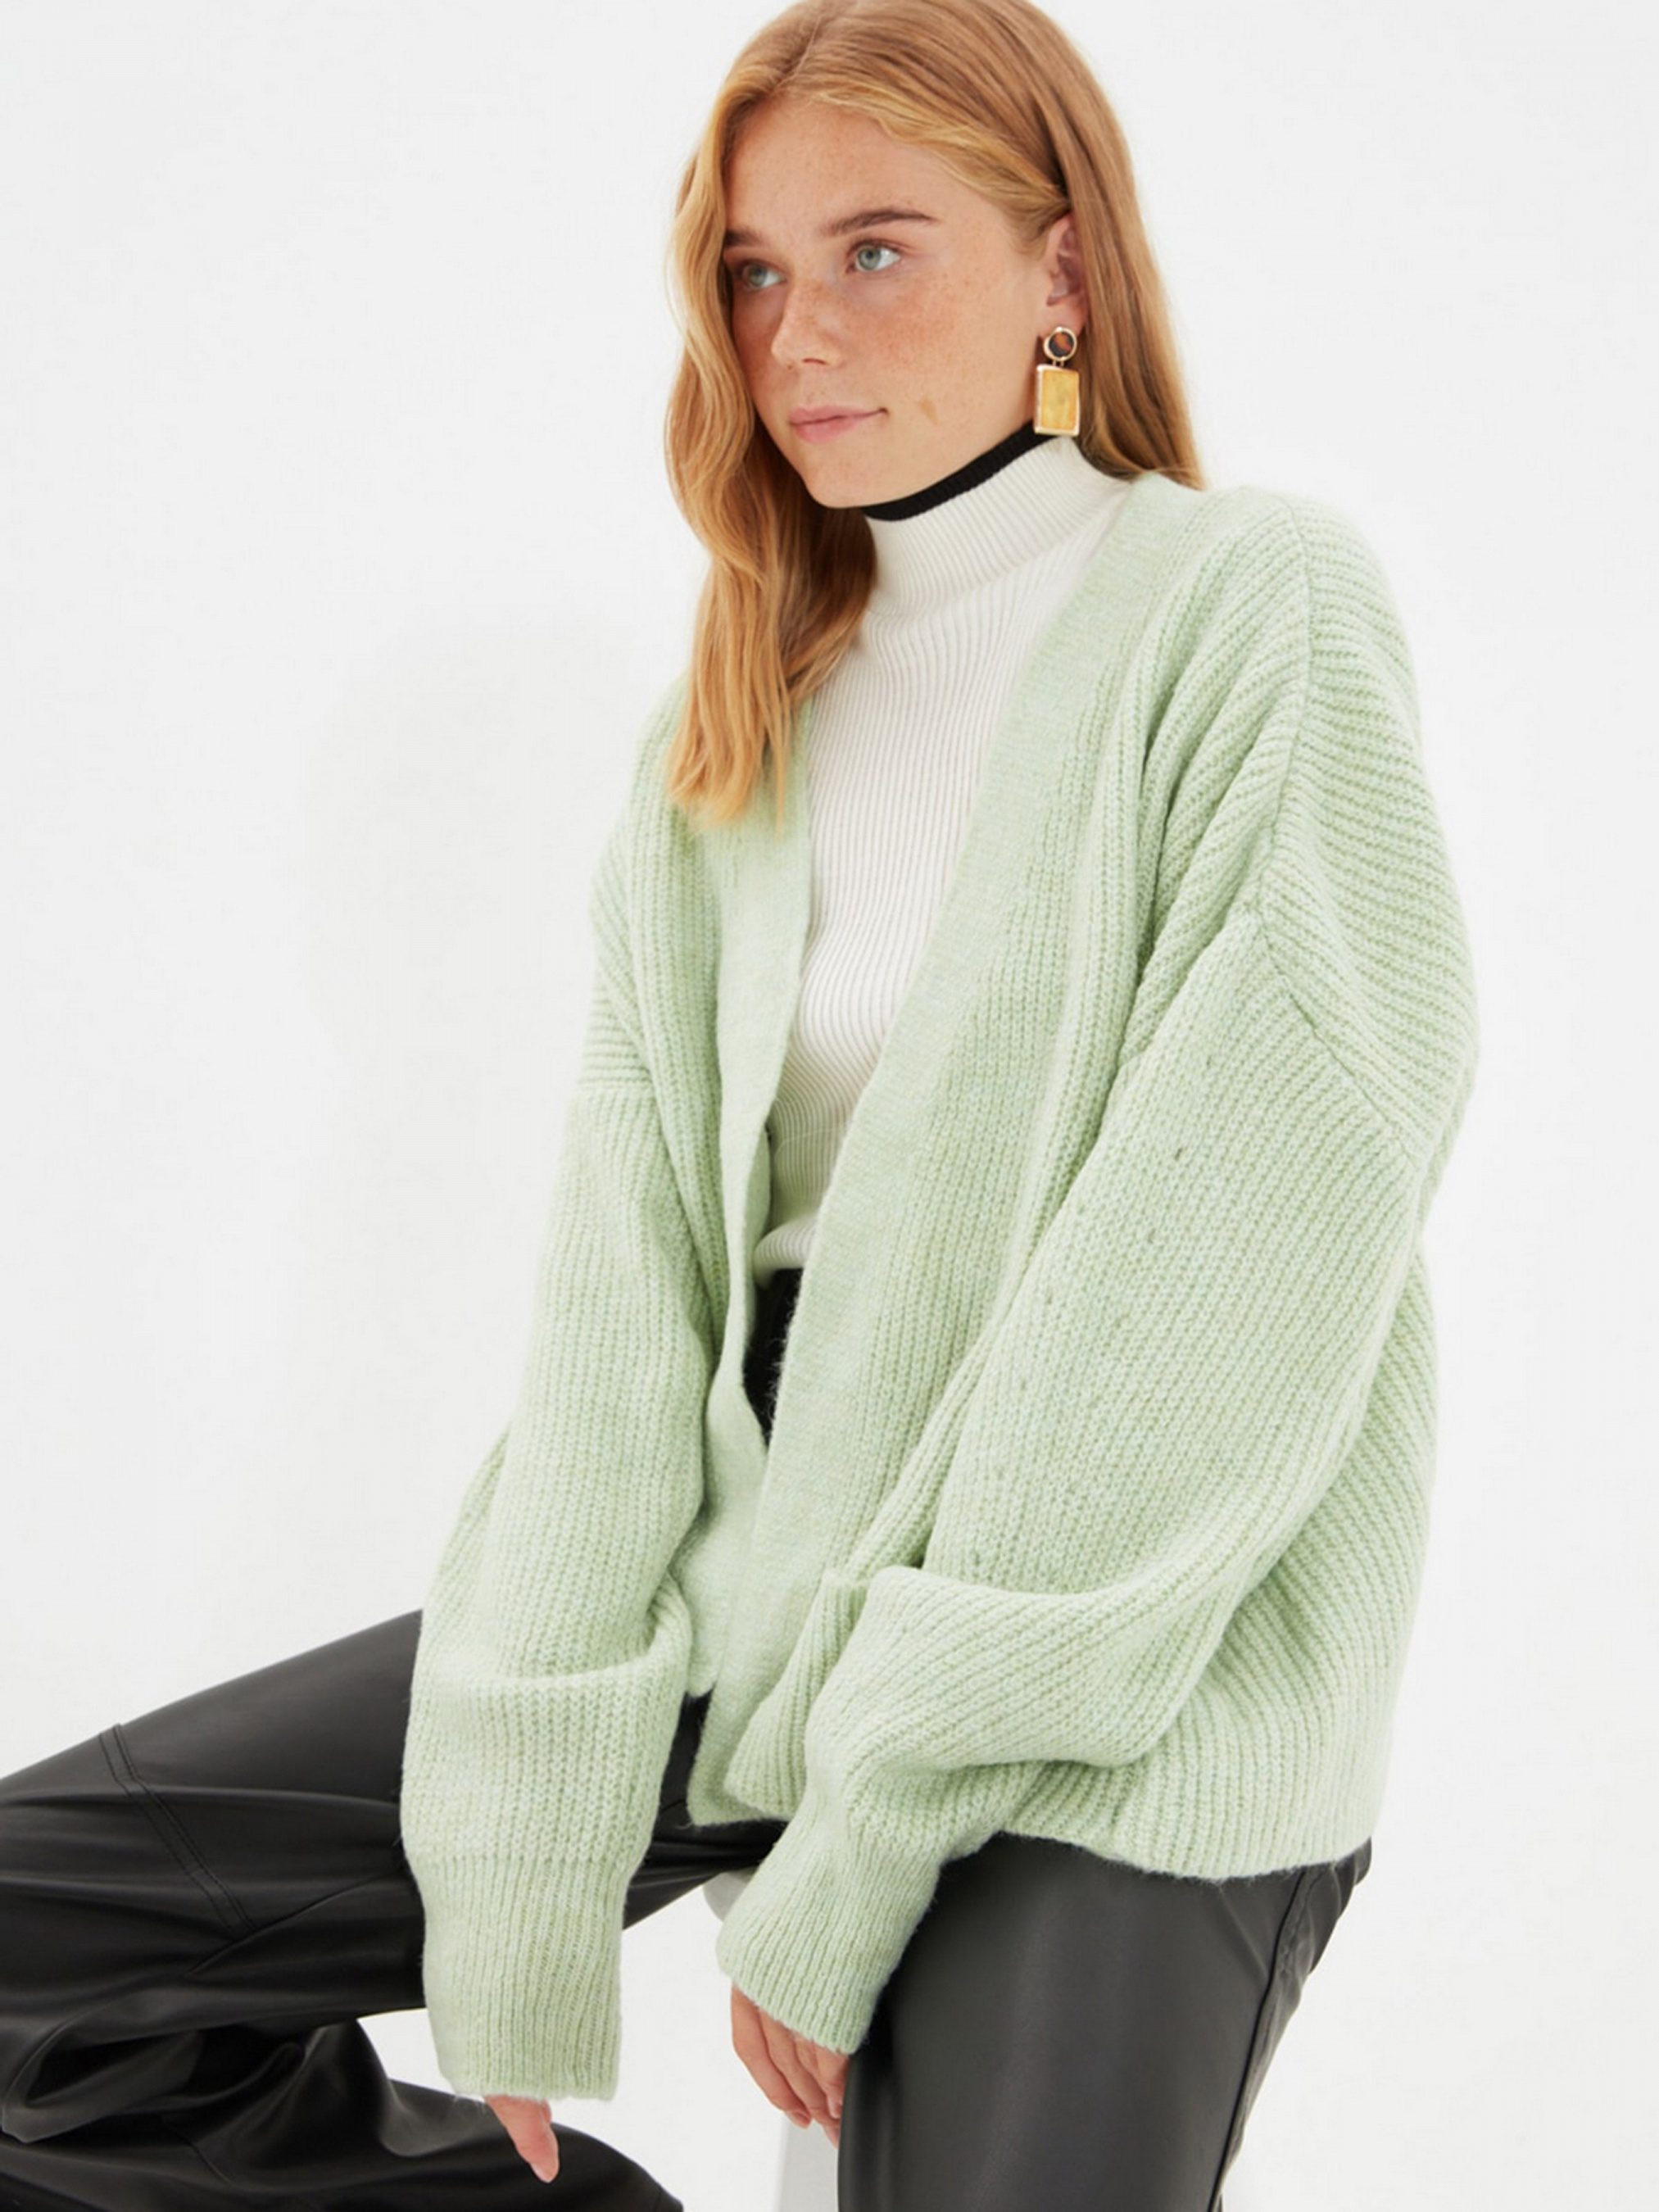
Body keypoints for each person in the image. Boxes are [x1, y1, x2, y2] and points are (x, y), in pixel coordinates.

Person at [0, 1, 1480, 2206]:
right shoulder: (731, 734)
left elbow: (1233, 1277)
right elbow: (623, 1323)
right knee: (35, 1970)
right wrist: (515, 1873)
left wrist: (874, 1817)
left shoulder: (1248, 607)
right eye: (752, 271)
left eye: (875, 248)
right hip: (746, 1570)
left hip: (1115, 1648)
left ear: (1063, 269)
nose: (798, 330)